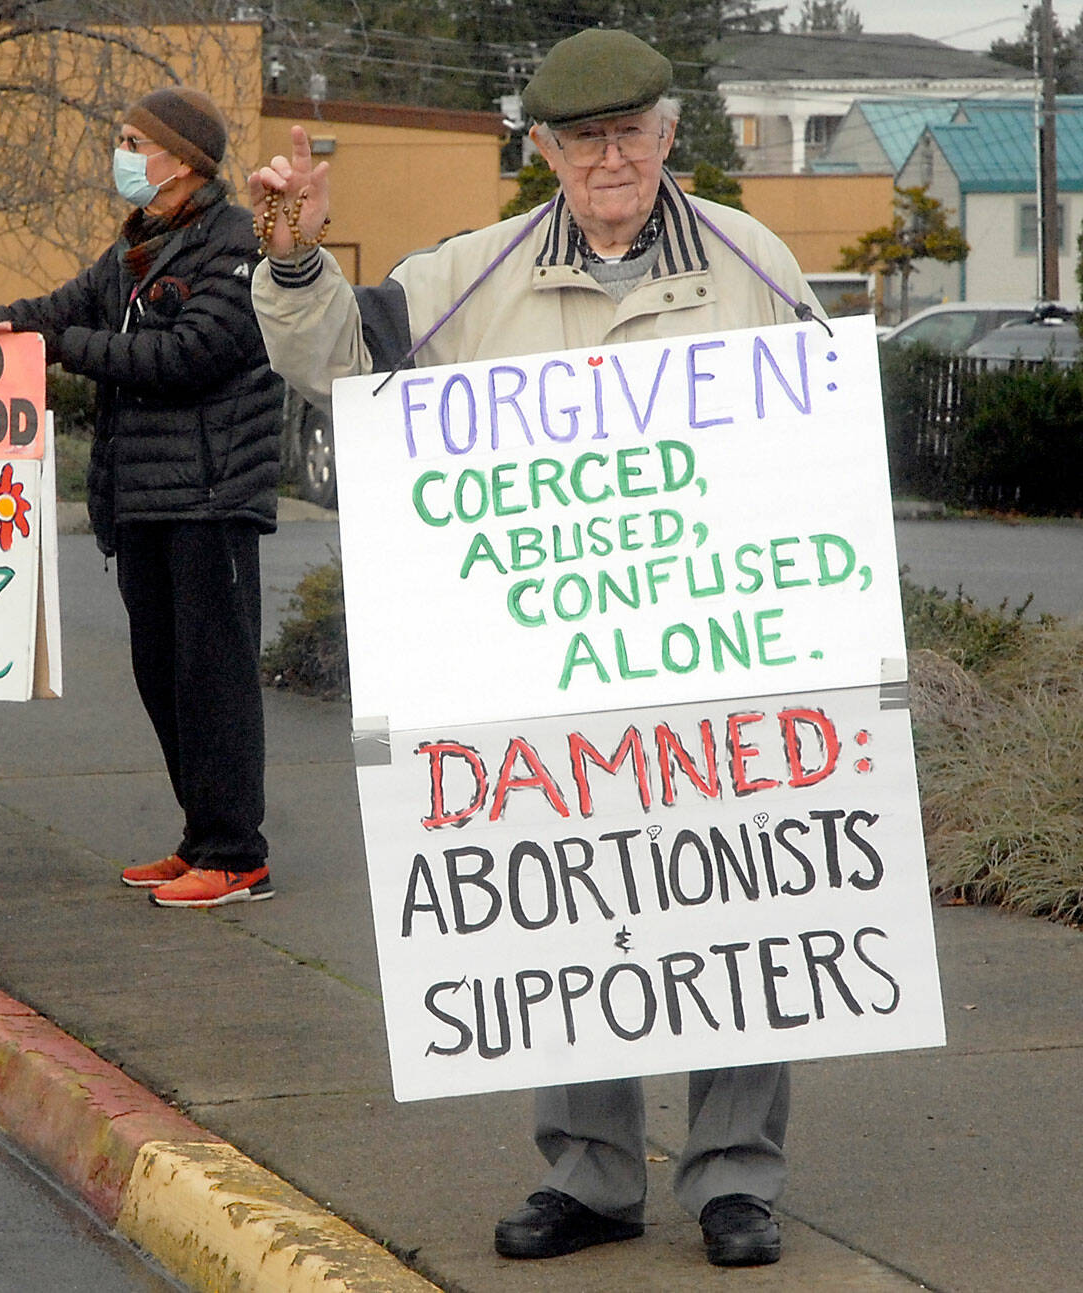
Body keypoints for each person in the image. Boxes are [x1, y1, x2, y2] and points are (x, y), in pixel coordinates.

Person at [247, 27, 825, 1269]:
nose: (609, 157)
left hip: (716, 660)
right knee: (566, 917)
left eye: (631, 132)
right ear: (545, 151)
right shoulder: (468, 272)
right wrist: (293, 257)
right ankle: (594, 1177)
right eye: (582, 138)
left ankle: (735, 1180)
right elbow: (340, 365)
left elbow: (825, 443)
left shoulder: (755, 260)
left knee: (742, 910)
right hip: (542, 673)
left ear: (670, 138)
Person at [0, 86, 283, 909]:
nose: (119, 153)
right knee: (162, 673)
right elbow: (32, 316)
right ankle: (202, 834)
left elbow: (185, 356)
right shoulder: (139, 248)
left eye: (133, 140)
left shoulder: (236, 246)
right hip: (145, 501)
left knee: (213, 677)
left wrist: (61, 345)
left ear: (184, 160)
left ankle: (237, 853)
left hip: (210, 497)